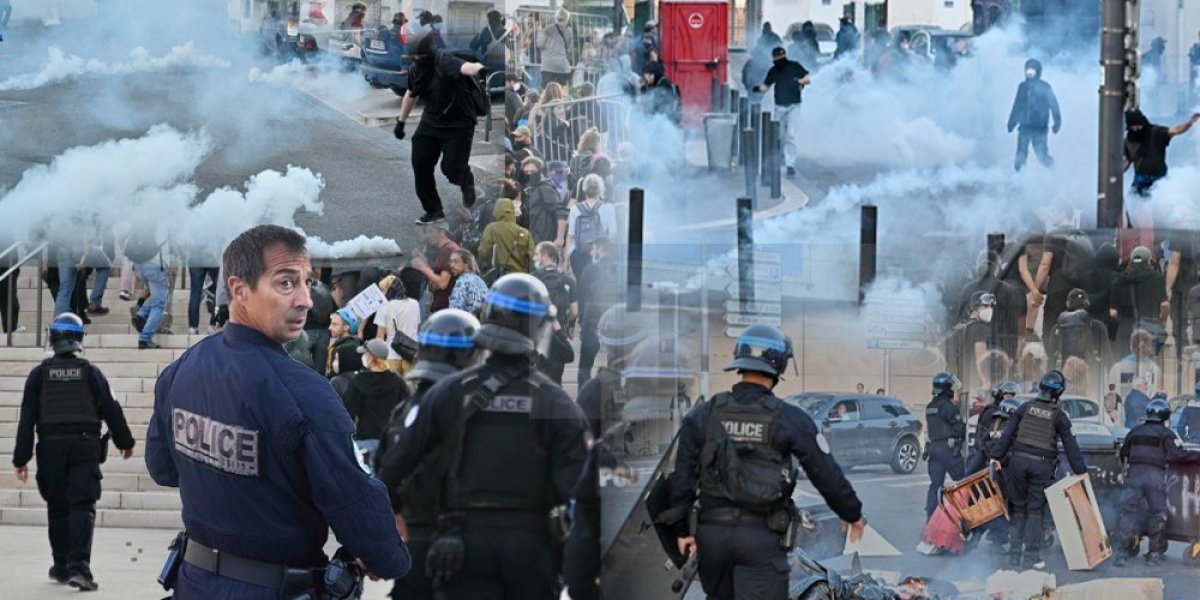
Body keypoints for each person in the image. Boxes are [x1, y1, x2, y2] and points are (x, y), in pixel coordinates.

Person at [144, 225, 411, 596]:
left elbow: (163, 468)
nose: (305, 299)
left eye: (307, 282)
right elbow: (354, 501)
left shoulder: (183, 368)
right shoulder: (304, 394)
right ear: (239, 289)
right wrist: (387, 557)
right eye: (286, 283)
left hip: (195, 581)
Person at [379, 274, 588, 599]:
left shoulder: (447, 394)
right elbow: (581, 494)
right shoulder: (555, 403)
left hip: (461, 548)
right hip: (531, 551)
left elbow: (393, 468)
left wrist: (395, 518)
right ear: (539, 328)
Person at [663, 325, 865, 600]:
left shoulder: (704, 414)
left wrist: (681, 531)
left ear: (740, 360)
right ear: (779, 366)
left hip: (714, 538)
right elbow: (825, 472)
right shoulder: (790, 419)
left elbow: (682, 479)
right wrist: (851, 512)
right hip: (761, 541)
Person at [11, 313, 136, 590]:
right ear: (79, 339)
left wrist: (21, 459)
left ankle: (61, 565)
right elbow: (111, 409)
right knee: (81, 506)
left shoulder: (39, 375)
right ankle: (79, 568)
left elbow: (26, 419)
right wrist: (125, 442)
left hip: (50, 448)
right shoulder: (90, 373)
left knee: (57, 507)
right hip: (84, 447)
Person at [377, 309, 483, 600]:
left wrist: (390, 516)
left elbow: (383, 470)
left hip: (412, 539)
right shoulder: (473, 412)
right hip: (458, 540)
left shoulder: (404, 411)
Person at [991, 370, 1087, 569]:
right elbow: (1070, 445)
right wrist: (1080, 469)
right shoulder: (1059, 415)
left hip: (1018, 463)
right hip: (1041, 465)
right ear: (1058, 392)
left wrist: (996, 456)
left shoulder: (1024, 408)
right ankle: (1031, 557)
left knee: (1018, 509)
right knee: (1034, 511)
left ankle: (1014, 556)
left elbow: (1007, 434)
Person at [395, 35, 486, 225]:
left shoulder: (443, 60)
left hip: (459, 123)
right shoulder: (416, 69)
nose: (417, 60)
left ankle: (466, 182)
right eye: (414, 57)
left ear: (428, 54)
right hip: (431, 121)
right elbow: (411, 94)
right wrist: (401, 122)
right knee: (420, 163)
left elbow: (465, 67)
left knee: (451, 169)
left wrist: (479, 68)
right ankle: (434, 211)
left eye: (420, 57)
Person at [1115, 398, 1200, 566]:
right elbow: (1177, 455)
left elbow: (1124, 453)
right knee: (1158, 513)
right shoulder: (1167, 434)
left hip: (1135, 476)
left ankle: (1121, 554)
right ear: (1166, 416)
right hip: (1154, 477)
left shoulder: (1134, 431)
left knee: (1128, 513)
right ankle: (1154, 554)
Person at [344, 339, 409, 473]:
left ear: (370, 357)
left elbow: (347, 413)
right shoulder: (398, 382)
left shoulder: (358, 381)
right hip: (390, 442)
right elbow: (405, 412)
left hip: (364, 439)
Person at [755, 47, 810, 178]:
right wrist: (756, 89)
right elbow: (766, 86)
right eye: (777, 58)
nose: (779, 60)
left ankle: (790, 164)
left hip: (794, 106)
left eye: (781, 57)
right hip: (779, 107)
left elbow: (807, 78)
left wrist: (799, 81)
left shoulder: (794, 66)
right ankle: (780, 156)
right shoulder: (773, 71)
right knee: (779, 135)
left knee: (791, 134)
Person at [1123, 109, 1200, 195]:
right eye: (1133, 127)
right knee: (1133, 199)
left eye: (1138, 125)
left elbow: (1175, 130)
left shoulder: (1156, 132)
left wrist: (1189, 123)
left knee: (1160, 199)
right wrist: (1115, 173)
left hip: (1158, 178)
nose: (1136, 129)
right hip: (1140, 178)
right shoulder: (1128, 141)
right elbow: (1127, 161)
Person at [924, 372, 967, 518]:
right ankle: (965, 517)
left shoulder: (930, 406)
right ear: (947, 388)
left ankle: (930, 518)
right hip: (948, 449)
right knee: (963, 481)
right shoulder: (948, 407)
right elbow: (959, 428)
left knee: (935, 485)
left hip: (933, 449)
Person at [1007, 58, 1061, 171]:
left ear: (1038, 71)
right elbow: (1017, 105)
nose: (1030, 73)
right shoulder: (1022, 87)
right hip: (1024, 127)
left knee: (1042, 155)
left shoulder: (1045, 87)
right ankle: (1018, 177)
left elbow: (1053, 105)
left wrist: (1057, 122)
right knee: (1020, 155)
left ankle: (1055, 172)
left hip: (1039, 128)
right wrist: (1012, 122)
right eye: (1028, 70)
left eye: (1032, 70)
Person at [969, 381, 1022, 472]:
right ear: (999, 395)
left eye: (1012, 395)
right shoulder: (993, 412)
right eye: (1007, 396)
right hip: (984, 455)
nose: (1011, 398)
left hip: (989, 453)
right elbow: (991, 436)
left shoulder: (998, 410)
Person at [374, 274, 421, 375]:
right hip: (411, 353)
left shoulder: (384, 307)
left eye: (383, 290)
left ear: (390, 290)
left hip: (391, 355)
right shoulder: (415, 304)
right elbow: (416, 328)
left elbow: (380, 337)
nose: (382, 294)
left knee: (393, 384)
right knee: (411, 384)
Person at [477, 198, 535, 278]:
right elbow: (531, 257)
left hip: (499, 277)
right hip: (520, 277)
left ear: (497, 210)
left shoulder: (491, 228)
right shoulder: (525, 232)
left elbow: (483, 252)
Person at [411, 223, 460, 313]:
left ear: (442, 232)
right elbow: (437, 277)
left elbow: (442, 283)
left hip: (446, 308)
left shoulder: (447, 250)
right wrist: (424, 261)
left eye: (431, 231)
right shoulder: (445, 249)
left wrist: (422, 267)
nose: (427, 236)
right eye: (426, 232)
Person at [539, 8, 574, 88]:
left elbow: (541, 44)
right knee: (560, 90)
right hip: (562, 65)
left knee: (547, 90)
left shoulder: (549, 29)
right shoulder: (569, 31)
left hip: (548, 64)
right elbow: (569, 48)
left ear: (556, 17)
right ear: (567, 18)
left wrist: (540, 30)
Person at [447, 249, 489, 314]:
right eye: (450, 262)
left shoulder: (461, 282)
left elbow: (454, 311)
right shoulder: (481, 282)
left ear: (467, 263)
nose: (452, 265)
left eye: (456, 261)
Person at [327, 308, 364, 379]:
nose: (330, 328)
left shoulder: (348, 349)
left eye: (334, 324)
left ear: (346, 327)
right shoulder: (336, 343)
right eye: (331, 324)